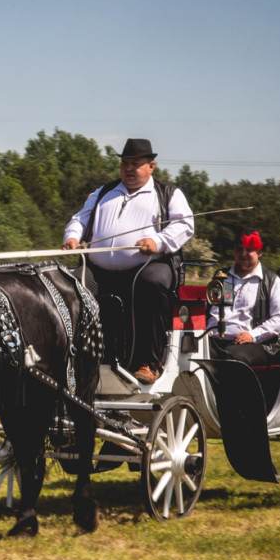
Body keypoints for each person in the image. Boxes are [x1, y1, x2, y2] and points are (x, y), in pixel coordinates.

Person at [62, 138, 194, 384]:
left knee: (153, 282)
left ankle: (149, 362)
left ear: (151, 166)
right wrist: (72, 237)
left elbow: (185, 224)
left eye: (136, 164)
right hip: (99, 271)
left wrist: (159, 241)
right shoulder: (103, 192)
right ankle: (79, 357)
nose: (129, 169)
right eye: (125, 164)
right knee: (72, 284)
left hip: (146, 267)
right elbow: (80, 218)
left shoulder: (167, 194)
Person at [207, 231, 280, 367]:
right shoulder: (221, 276)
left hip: (256, 344)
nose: (243, 254)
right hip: (213, 340)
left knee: (232, 357)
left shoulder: (271, 281)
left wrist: (252, 335)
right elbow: (208, 309)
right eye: (239, 249)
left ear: (259, 253)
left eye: (249, 250)